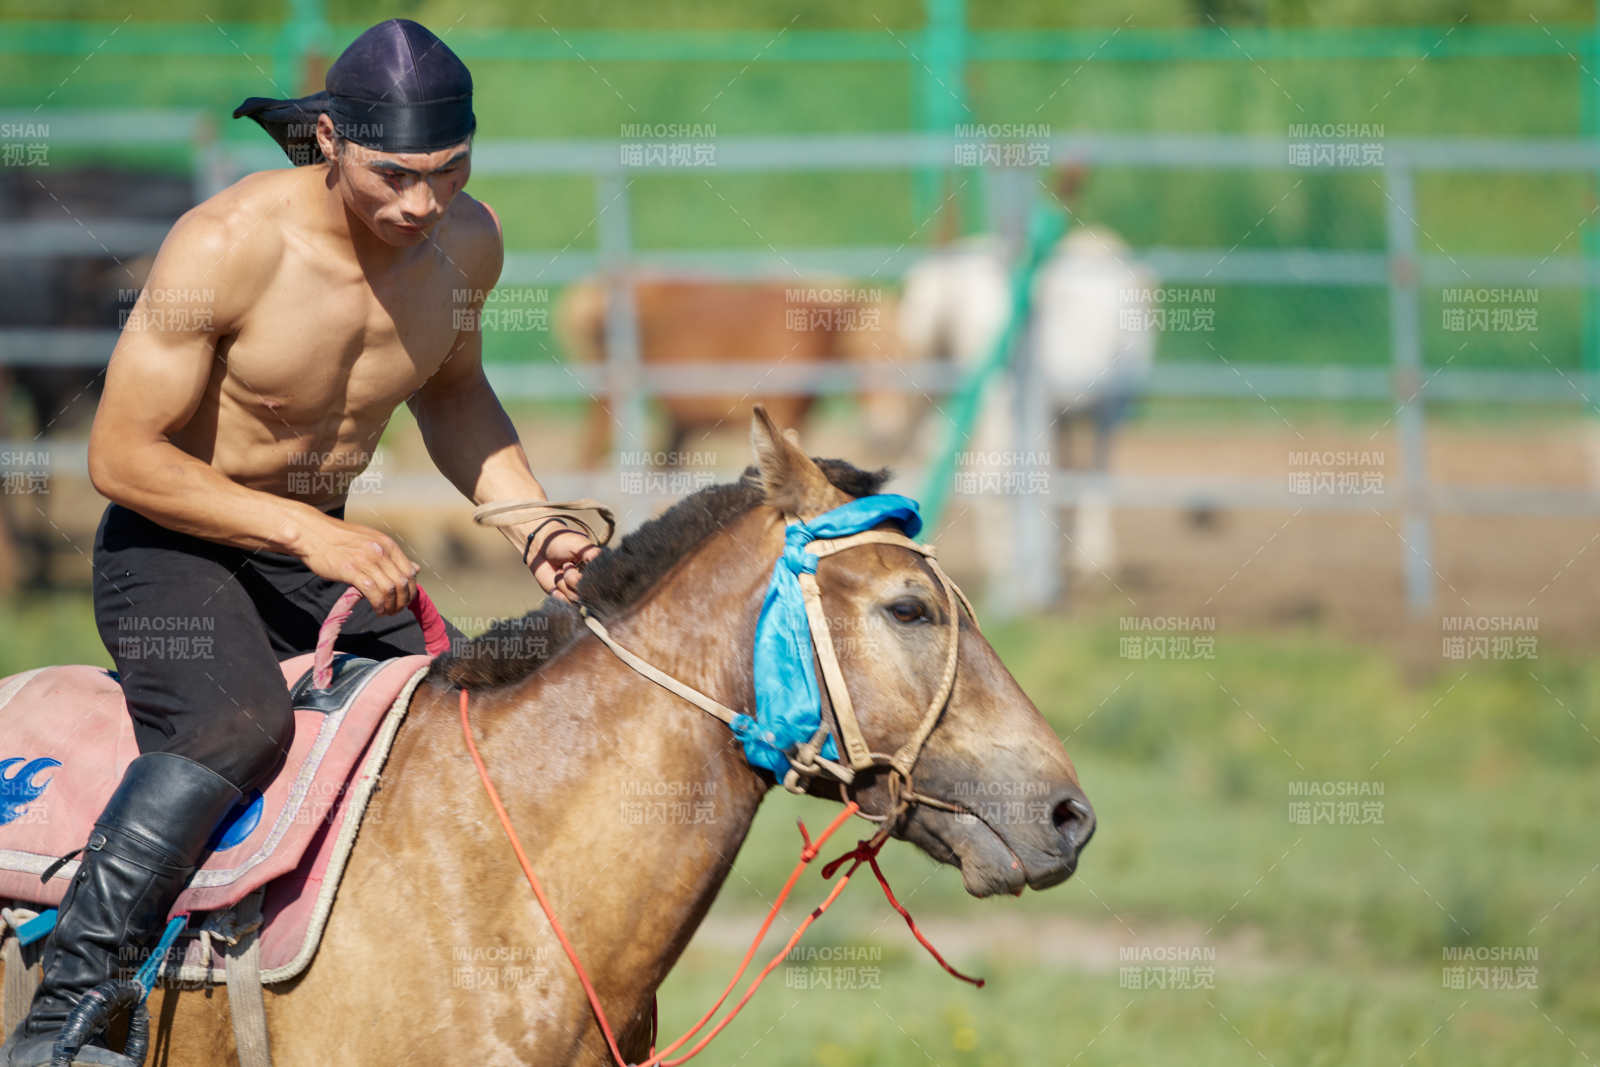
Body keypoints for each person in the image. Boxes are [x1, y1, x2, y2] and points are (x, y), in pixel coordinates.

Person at [1, 19, 601, 1065]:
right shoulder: (226, 245)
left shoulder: (468, 243)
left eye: (450, 171)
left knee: (470, 730)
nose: (421, 204)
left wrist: (534, 521)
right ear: (330, 140)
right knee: (233, 726)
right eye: (394, 176)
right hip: (172, 547)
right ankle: (70, 1008)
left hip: (316, 551)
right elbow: (120, 455)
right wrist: (306, 529)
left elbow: (454, 396)